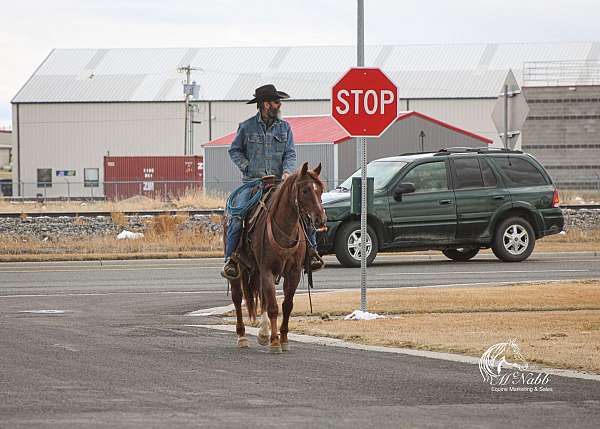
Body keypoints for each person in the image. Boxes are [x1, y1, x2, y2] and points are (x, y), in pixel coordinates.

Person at [221, 84, 323, 280]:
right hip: (253, 183)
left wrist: (286, 172)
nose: (279, 105)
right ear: (265, 105)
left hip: (279, 183)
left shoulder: (285, 128)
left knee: (304, 213)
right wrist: (248, 167)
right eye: (277, 102)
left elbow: (290, 153)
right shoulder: (246, 127)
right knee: (237, 215)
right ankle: (231, 259)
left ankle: (311, 254)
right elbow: (234, 150)